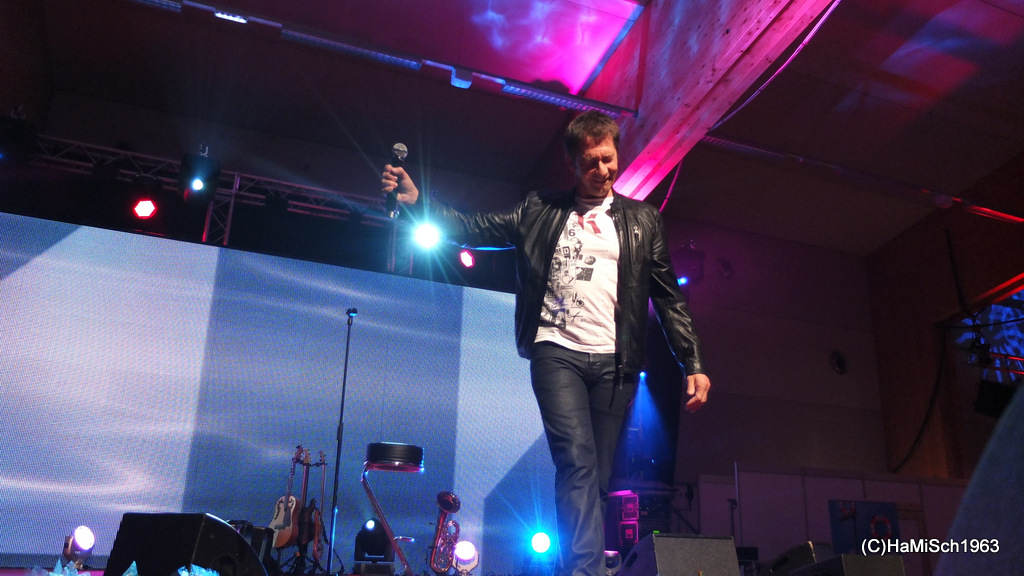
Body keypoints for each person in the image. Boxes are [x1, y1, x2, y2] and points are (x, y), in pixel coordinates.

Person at [381, 111, 710, 576]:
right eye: (590, 162)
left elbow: (668, 295)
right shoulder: (540, 209)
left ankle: (579, 566)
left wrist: (692, 361)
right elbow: (476, 227)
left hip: (615, 362)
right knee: (576, 463)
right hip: (557, 352)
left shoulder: (643, 220)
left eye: (608, 159)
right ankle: (585, 573)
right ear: (573, 165)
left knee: (597, 479)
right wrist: (421, 206)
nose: (602, 170)